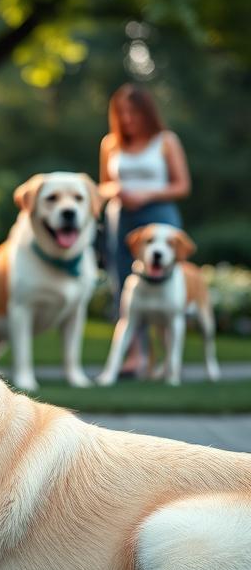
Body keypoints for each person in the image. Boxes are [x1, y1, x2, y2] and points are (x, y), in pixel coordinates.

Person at [98, 83, 192, 375]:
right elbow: (101, 185)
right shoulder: (110, 144)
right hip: (121, 218)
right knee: (124, 282)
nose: (127, 119)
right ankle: (136, 357)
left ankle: (167, 361)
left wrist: (147, 194)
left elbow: (182, 185)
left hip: (160, 216)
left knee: (166, 283)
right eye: (121, 113)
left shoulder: (165, 140)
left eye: (133, 112)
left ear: (146, 112)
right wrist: (117, 189)